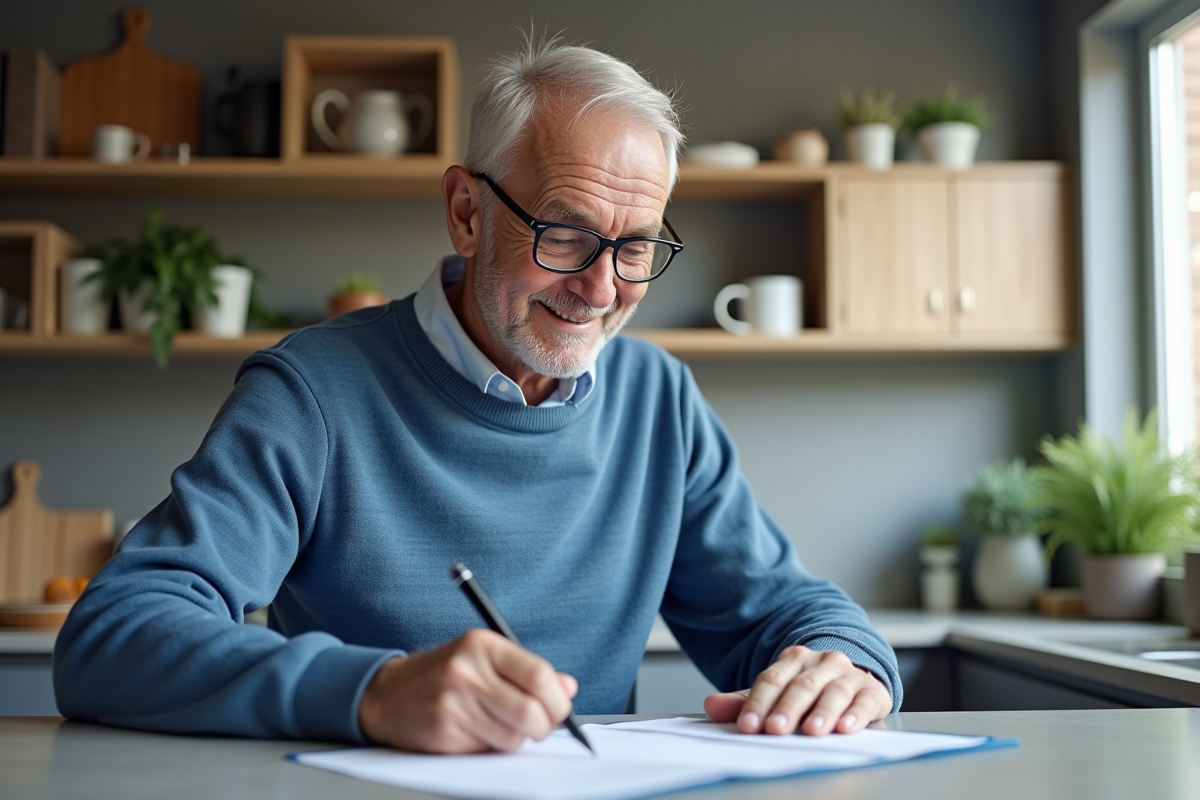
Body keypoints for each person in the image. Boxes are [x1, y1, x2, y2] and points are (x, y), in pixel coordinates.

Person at [53, 37, 901, 754]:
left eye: (636, 246)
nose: (602, 290)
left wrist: (843, 661)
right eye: (565, 234)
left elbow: (779, 609)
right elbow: (112, 636)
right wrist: (373, 692)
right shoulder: (312, 391)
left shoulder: (659, 402)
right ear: (466, 212)